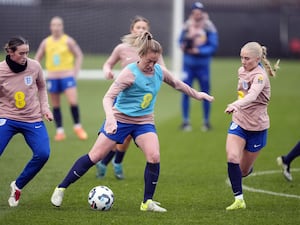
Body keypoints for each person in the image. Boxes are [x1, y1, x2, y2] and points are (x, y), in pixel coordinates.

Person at [50, 31, 214, 212]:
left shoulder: (159, 70)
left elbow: (177, 84)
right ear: (140, 55)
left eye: (155, 61)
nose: (152, 65)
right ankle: (61, 188)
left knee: (154, 156)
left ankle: (147, 202)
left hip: (144, 122)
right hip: (120, 119)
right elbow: (107, 98)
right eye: (148, 61)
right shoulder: (129, 74)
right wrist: (111, 119)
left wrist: (197, 95)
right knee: (95, 156)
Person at [96, 16, 165, 180]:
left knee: (127, 137)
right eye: (138, 27)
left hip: (140, 99)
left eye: (144, 28)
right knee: (114, 134)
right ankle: (104, 162)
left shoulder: (153, 50)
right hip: (121, 96)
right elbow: (108, 63)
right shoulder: (122, 48)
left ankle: (116, 163)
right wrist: (107, 71)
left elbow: (162, 69)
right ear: (131, 30)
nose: (141, 30)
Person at [225, 42, 279, 210]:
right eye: (241, 57)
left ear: (257, 59)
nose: (243, 61)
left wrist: (236, 104)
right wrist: (238, 108)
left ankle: (247, 170)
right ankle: (239, 199)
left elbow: (253, 95)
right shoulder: (241, 71)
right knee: (232, 157)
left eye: (247, 58)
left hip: (257, 128)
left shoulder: (260, 76)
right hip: (239, 122)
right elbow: (244, 92)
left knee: (242, 171)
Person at [0, 36, 53, 207]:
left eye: (27, 53)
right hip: (7, 117)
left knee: (43, 153)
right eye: (21, 53)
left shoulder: (34, 66)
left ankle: (18, 185)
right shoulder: (1, 71)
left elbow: (42, 87)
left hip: (32, 118)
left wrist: (45, 107)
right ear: (10, 52)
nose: (25, 56)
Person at [35, 16, 87, 141]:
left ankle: (78, 127)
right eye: (54, 25)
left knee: (73, 101)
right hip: (53, 77)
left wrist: (75, 72)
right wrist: (37, 73)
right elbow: (37, 59)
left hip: (67, 76)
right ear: (50, 27)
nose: (56, 27)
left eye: (58, 25)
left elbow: (79, 55)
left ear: (62, 26)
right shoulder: (46, 42)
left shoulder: (68, 41)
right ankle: (60, 131)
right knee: (55, 105)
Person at [179, 1, 218, 132]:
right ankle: (185, 121)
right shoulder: (187, 26)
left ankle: (206, 122)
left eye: (199, 13)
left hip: (202, 66)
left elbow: (213, 45)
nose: (197, 15)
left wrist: (199, 51)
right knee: (185, 91)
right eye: (195, 12)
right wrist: (183, 46)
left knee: (205, 93)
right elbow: (180, 41)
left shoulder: (208, 27)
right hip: (188, 65)